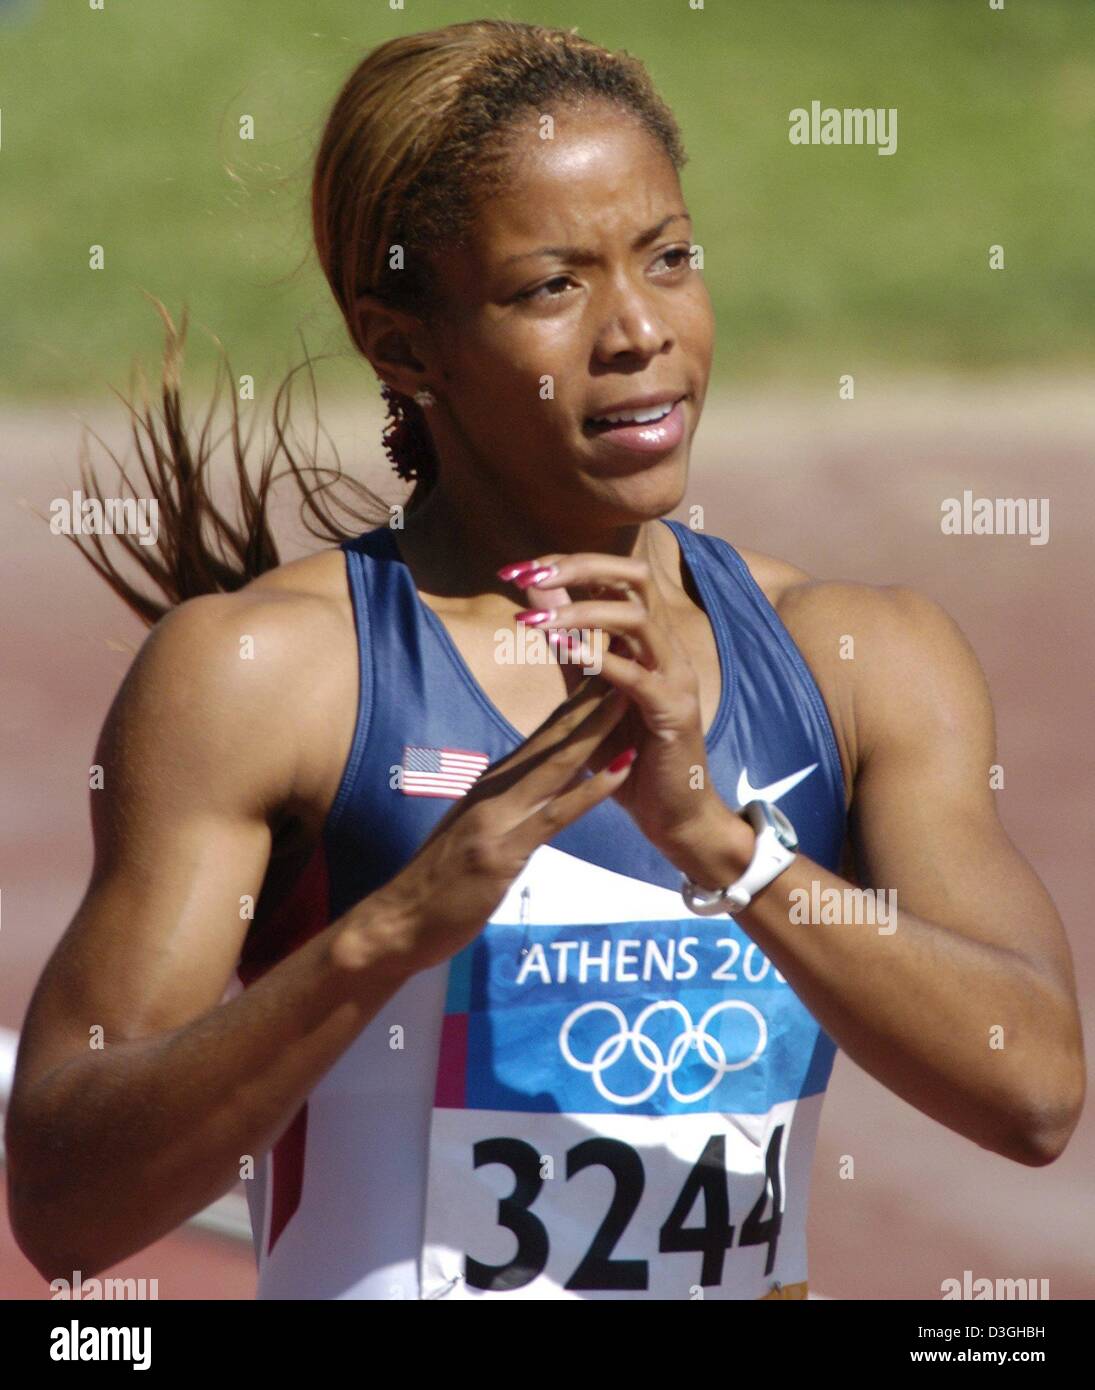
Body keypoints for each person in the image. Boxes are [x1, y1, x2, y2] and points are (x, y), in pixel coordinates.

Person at [5, 20, 1084, 1301]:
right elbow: (64, 1200)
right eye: (550, 286)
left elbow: (1035, 1091)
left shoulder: (858, 662)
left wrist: (726, 849)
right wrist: (394, 928)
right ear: (404, 347)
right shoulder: (268, 678)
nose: (638, 330)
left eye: (670, 259)